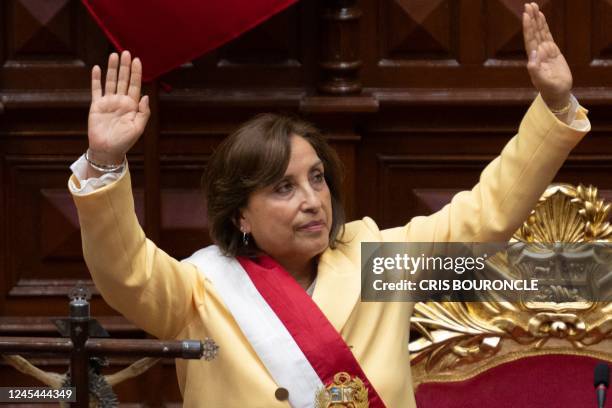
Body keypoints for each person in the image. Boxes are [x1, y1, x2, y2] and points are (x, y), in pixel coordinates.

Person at [69, 3, 590, 407]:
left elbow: (486, 215)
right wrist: (105, 160)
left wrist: (553, 105)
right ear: (240, 215)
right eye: (283, 188)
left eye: (316, 179)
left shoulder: (376, 260)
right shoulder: (200, 290)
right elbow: (125, 272)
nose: (312, 200)